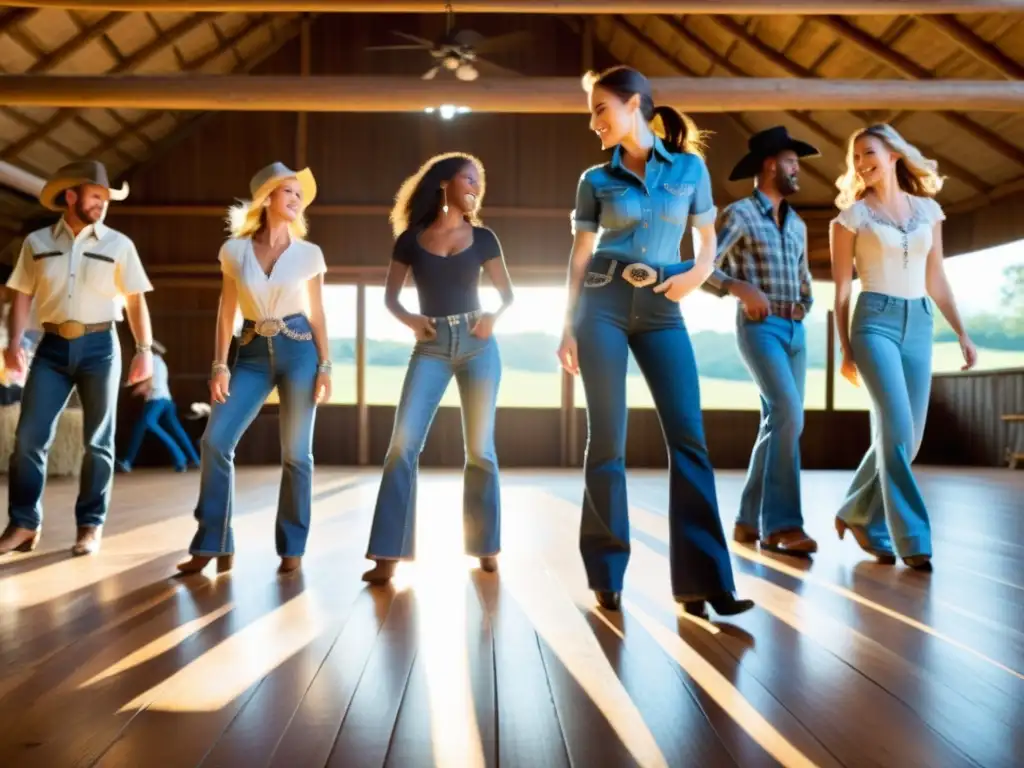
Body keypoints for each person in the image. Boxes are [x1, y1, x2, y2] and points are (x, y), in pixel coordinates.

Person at [557, 65, 753, 619]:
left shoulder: (689, 168)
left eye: (601, 109)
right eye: (592, 111)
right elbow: (579, 255)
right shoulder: (595, 179)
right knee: (609, 439)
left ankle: (704, 582)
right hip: (603, 304)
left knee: (689, 437)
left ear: (635, 104)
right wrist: (567, 325)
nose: (594, 121)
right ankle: (606, 572)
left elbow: (707, 239)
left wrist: (696, 275)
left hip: (665, 308)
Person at [361, 152, 514, 585]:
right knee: (401, 447)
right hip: (429, 348)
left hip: (478, 345)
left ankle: (485, 546)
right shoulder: (409, 240)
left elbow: (507, 295)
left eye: (478, 182)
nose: (475, 187)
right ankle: (386, 553)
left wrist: (491, 317)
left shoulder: (484, 238)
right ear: (444, 183)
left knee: (480, 450)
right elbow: (391, 298)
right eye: (469, 178)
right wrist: (411, 320)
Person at [831, 124, 977, 571]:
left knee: (907, 440)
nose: (861, 163)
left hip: (920, 324)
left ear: (893, 153)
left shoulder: (929, 211)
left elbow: (937, 279)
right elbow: (840, 292)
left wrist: (961, 332)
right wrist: (845, 350)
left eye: (868, 152)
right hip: (874, 322)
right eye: (855, 157)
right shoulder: (851, 217)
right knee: (895, 427)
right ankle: (911, 538)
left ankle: (856, 511)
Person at [177, 162, 331, 576]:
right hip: (250, 353)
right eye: (289, 193)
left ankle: (292, 547)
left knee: (297, 454)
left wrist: (326, 366)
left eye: (299, 194)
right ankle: (213, 542)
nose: (297, 200)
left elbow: (317, 313)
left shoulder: (309, 254)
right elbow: (226, 311)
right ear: (267, 199)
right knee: (215, 441)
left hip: (299, 350)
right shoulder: (234, 251)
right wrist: (219, 366)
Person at [0, 160, 155, 556]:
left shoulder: (119, 245)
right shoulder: (36, 243)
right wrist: (14, 339)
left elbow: (135, 302)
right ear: (71, 196)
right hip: (50, 349)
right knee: (29, 439)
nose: (102, 203)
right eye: (95, 196)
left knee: (99, 441)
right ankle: (22, 523)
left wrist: (144, 351)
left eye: (105, 198)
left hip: (101, 347)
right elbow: (21, 294)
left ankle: (90, 526)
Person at [702, 126, 820, 555]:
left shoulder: (799, 224)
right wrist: (739, 287)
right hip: (759, 330)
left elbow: (805, 280)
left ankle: (747, 521)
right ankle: (782, 526)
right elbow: (703, 268)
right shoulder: (738, 215)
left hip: (796, 332)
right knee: (789, 413)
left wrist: (804, 304)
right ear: (770, 164)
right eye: (791, 162)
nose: (797, 169)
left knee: (779, 422)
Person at [116, 340, 201, 473]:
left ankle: (179, 458)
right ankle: (195, 460)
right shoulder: (161, 362)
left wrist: (130, 390)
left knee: (148, 423)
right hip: (167, 401)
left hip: (156, 400)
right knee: (176, 431)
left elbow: (148, 384)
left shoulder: (150, 361)